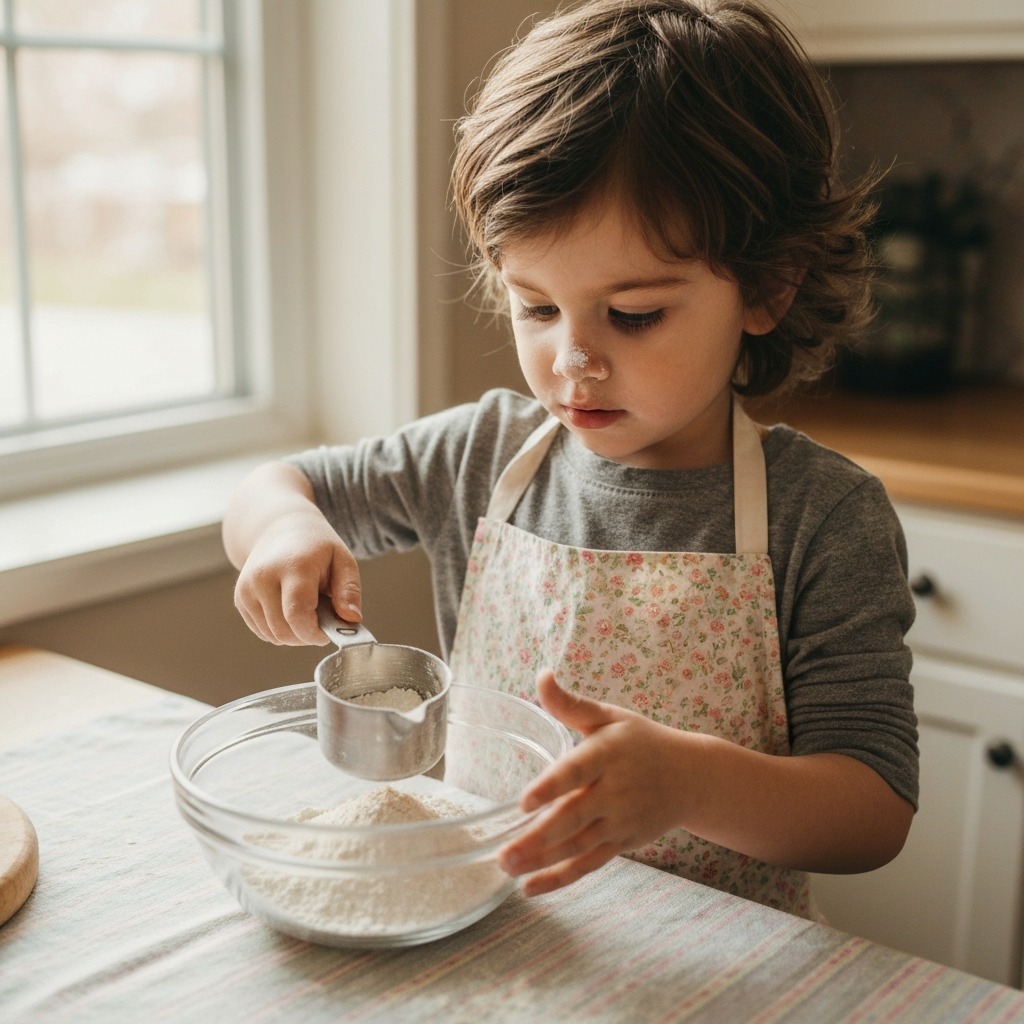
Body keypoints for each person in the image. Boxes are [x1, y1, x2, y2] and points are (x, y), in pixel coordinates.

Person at [223, 0, 917, 919]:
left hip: (719, 970)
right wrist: (281, 527)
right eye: (536, 307)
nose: (573, 359)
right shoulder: (481, 454)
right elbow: (282, 485)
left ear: (768, 286)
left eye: (633, 314)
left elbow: (872, 812)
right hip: (495, 927)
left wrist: (690, 785)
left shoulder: (821, 516)